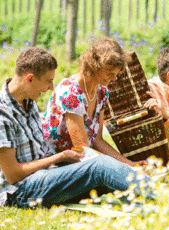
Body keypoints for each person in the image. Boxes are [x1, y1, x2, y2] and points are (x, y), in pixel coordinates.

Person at [0, 47, 151, 208]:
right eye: (48, 81)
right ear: (29, 79)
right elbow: (13, 175)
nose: (52, 87)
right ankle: (163, 195)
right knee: (100, 167)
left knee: (110, 179)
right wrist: (60, 157)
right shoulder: (3, 114)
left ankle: (152, 202)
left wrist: (128, 166)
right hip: (21, 191)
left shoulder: (28, 101)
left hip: (45, 175)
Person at [42, 38, 144, 166]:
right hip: (55, 164)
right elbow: (83, 149)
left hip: (82, 161)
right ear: (95, 66)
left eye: (116, 74)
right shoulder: (70, 92)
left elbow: (98, 141)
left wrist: (130, 164)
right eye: (109, 73)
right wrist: (125, 167)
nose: (114, 78)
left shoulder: (101, 92)